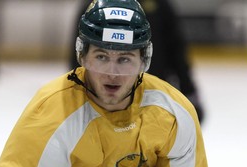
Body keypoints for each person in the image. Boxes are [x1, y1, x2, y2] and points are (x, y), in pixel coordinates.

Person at [0, 0, 208, 167]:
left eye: (125, 59)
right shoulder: (50, 115)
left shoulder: (173, 114)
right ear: (82, 56)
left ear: (144, 60)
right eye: (101, 56)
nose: (112, 72)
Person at [69, 0, 205, 123]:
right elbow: (78, 56)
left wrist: (189, 91)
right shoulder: (93, 7)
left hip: (153, 95)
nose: (113, 73)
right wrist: (76, 94)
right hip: (96, 102)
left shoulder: (160, 5)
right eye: (102, 57)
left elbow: (176, 49)